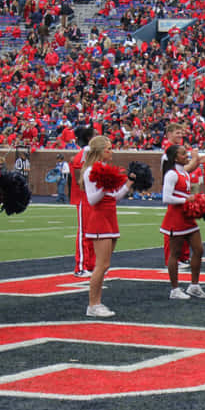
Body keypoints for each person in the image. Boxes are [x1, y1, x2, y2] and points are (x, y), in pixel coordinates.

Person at [82, 136, 134, 317]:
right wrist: (105, 186)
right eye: (108, 149)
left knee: (106, 265)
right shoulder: (90, 171)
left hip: (111, 218)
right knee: (101, 265)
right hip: (99, 219)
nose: (111, 151)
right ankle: (93, 305)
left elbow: (116, 196)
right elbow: (92, 199)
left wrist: (130, 183)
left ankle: (97, 303)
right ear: (99, 151)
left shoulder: (105, 169)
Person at [161, 144, 205, 299]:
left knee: (199, 249)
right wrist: (186, 199)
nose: (186, 155)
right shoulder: (171, 174)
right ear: (175, 157)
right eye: (183, 154)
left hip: (188, 217)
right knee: (175, 253)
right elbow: (166, 198)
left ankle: (194, 286)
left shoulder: (185, 174)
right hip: (175, 218)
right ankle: (174, 289)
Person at [70, 126, 95, 278]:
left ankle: (91, 264)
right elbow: (82, 181)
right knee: (84, 232)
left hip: (91, 197)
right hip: (83, 197)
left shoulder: (91, 155)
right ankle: (80, 266)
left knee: (92, 233)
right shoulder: (83, 155)